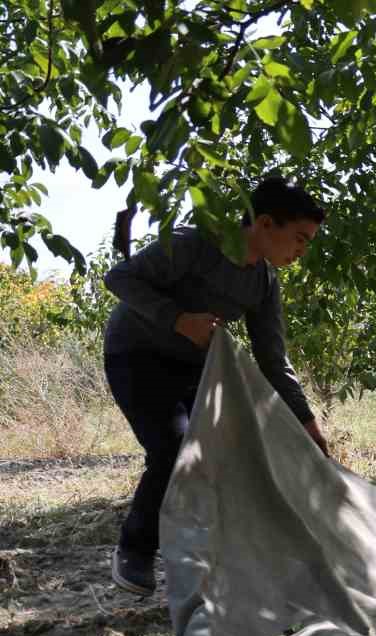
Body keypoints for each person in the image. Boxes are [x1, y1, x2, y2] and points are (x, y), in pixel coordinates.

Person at [103, 174, 328, 597]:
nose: (301, 250)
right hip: (135, 356)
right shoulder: (195, 244)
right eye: (299, 238)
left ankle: (215, 558)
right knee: (174, 449)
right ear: (264, 224)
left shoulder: (263, 283)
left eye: (307, 242)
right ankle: (134, 548)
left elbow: (273, 359)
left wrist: (307, 422)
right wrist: (177, 318)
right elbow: (119, 278)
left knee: (229, 454)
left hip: (194, 369)